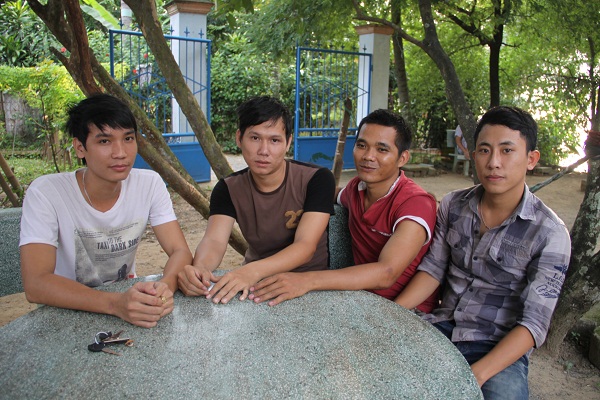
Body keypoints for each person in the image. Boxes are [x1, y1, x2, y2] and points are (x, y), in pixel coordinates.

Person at [395, 106, 571, 399]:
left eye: (507, 151)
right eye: (485, 151)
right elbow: (433, 269)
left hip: (497, 346)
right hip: (442, 328)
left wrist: (476, 374)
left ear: (531, 159)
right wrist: (392, 314)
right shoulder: (453, 205)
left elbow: (534, 324)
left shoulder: (550, 233)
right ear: (473, 154)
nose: (494, 163)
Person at [20, 94, 193, 328]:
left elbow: (180, 251)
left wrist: (165, 287)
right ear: (80, 147)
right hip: (64, 313)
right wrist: (115, 304)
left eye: (128, 138)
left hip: (127, 306)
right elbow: (36, 284)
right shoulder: (47, 192)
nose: (120, 152)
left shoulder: (149, 184)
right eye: (104, 141)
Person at [249, 109, 438, 310]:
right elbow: (326, 192)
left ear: (402, 158)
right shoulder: (356, 189)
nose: (368, 156)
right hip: (360, 300)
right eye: (361, 145)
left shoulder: (415, 203)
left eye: (382, 149)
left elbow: (387, 273)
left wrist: (306, 280)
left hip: (409, 313)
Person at [177, 96, 335, 304]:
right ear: (239, 138)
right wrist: (200, 269)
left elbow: (305, 246)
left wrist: (251, 271)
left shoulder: (316, 179)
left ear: (288, 142)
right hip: (256, 286)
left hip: (309, 285)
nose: (263, 151)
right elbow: (214, 241)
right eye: (254, 138)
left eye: (274, 140)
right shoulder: (227, 189)